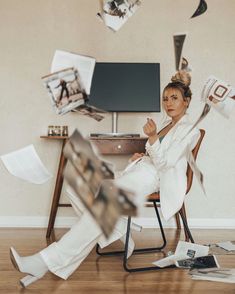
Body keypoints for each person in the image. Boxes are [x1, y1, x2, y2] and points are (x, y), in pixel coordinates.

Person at [9, 70, 200, 287]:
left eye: (174, 98)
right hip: (138, 171)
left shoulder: (189, 130)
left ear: (187, 101)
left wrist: (153, 139)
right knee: (76, 186)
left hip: (152, 178)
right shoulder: (167, 123)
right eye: (165, 98)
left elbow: (165, 164)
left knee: (105, 199)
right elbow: (157, 154)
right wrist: (142, 155)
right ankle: (117, 231)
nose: (168, 103)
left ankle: (44, 261)